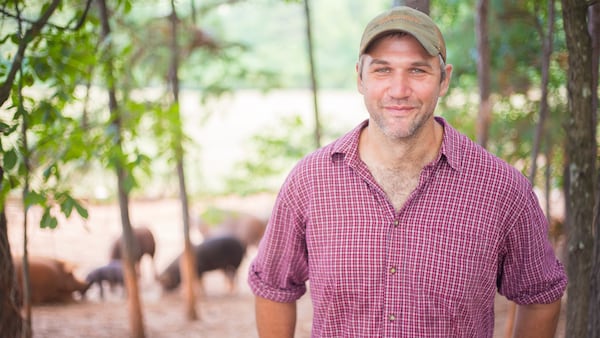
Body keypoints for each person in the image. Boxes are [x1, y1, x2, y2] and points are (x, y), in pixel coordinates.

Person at [247, 6, 567, 338]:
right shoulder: (310, 181)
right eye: (382, 70)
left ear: (444, 80)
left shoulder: (501, 188)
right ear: (360, 78)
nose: (399, 90)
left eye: (417, 71)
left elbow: (540, 295)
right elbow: (273, 286)